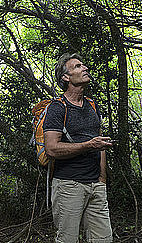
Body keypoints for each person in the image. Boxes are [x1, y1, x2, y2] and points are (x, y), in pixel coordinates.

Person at [43, 53, 114, 243]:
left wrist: (102, 179)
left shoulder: (92, 105)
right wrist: (88, 145)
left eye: (83, 65)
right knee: (68, 240)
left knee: (104, 239)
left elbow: (101, 145)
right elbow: (51, 149)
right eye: (77, 67)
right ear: (66, 77)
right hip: (68, 185)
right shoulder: (57, 108)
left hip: (96, 186)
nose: (84, 68)